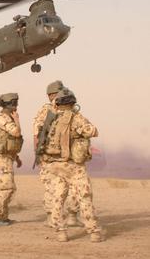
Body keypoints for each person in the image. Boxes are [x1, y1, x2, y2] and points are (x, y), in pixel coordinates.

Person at [41, 88, 103, 243]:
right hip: (73, 166)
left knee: (58, 198)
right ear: (73, 102)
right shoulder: (76, 118)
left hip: (54, 165)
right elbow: (93, 131)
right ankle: (94, 232)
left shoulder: (51, 119)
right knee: (84, 196)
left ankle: (61, 232)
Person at [33, 80, 81, 227]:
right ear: (52, 95)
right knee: (68, 186)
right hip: (63, 155)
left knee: (55, 187)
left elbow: (36, 134)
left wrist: (38, 153)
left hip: (55, 155)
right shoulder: (65, 108)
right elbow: (37, 134)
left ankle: (62, 217)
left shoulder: (48, 109)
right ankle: (62, 216)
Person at [0, 93, 23, 226]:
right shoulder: (3, 119)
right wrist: (17, 120)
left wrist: (16, 158)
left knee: (9, 187)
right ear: (10, 104)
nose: (16, 106)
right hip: (1, 158)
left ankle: (3, 216)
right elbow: (16, 133)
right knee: (7, 188)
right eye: (15, 103)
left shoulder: (5, 118)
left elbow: (8, 140)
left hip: (7, 157)